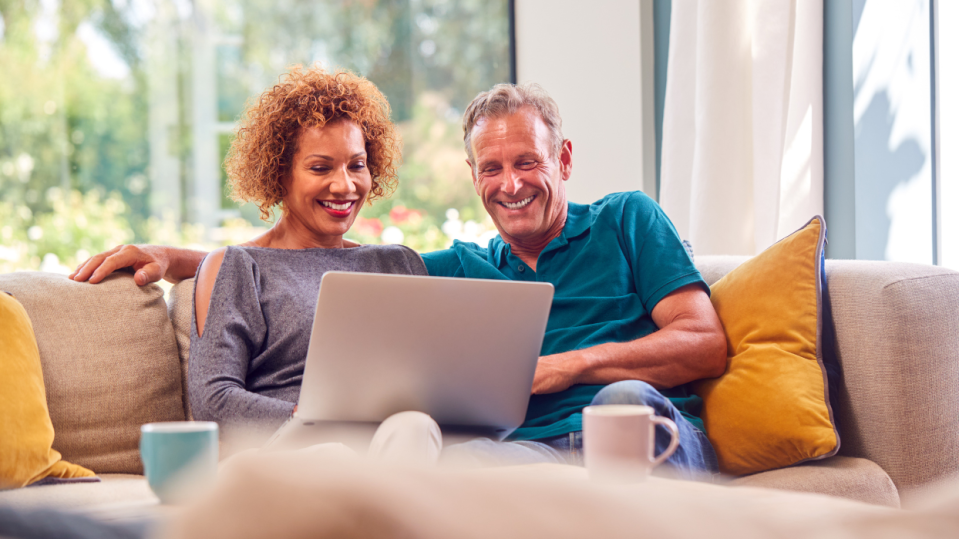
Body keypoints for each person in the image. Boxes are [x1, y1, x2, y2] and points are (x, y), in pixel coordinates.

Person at [71, 83, 726, 478]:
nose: (511, 183)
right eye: (491, 167)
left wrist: (566, 366)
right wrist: (184, 257)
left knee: (622, 403)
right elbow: (300, 262)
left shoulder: (626, 218)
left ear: (564, 158)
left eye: (527, 161)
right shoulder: (454, 268)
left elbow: (703, 344)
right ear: (473, 176)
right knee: (455, 465)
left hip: (633, 420)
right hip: (529, 453)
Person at [131, 65, 438, 455]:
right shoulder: (240, 268)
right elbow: (215, 398)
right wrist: (317, 420)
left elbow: (432, 379)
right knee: (333, 455)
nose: (344, 185)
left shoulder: (398, 264)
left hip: (389, 441)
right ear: (280, 174)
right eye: (320, 167)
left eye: (356, 165)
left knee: (414, 426)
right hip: (294, 445)